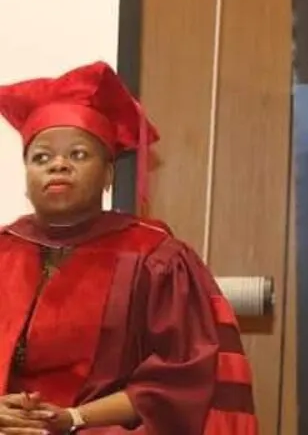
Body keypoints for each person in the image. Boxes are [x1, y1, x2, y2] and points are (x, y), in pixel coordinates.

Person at [0, 61, 258, 434]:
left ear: (108, 174)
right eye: (41, 157)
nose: (58, 165)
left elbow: (180, 381)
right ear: (26, 178)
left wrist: (73, 418)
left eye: (78, 154)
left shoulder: (156, 258)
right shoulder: (5, 250)